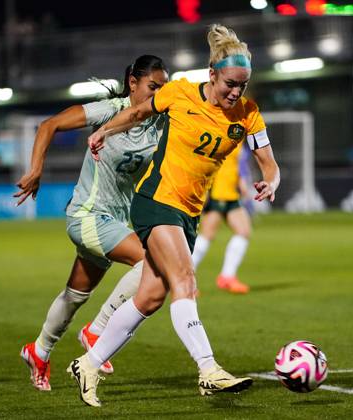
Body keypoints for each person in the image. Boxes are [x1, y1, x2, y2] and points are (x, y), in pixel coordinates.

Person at [67, 24, 280, 407]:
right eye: (230, 83)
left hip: (188, 214)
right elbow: (137, 112)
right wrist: (105, 132)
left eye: (243, 85)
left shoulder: (248, 114)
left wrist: (271, 181)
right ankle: (209, 370)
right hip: (155, 200)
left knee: (149, 298)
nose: (236, 92)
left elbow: (269, 162)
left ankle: (89, 362)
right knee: (186, 279)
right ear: (212, 75)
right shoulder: (179, 93)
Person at [14, 55, 169, 391]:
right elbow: (48, 125)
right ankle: (98, 330)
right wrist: (36, 168)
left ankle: (38, 351)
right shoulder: (110, 110)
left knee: (75, 295)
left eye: (162, 89)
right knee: (153, 259)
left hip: (114, 220)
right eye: (152, 87)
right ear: (133, 84)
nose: (158, 94)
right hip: (86, 214)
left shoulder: (159, 123)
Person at [191, 143, 253, 294]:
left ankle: (227, 277)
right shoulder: (223, 132)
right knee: (206, 236)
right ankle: (183, 279)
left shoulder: (241, 141)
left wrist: (242, 184)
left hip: (231, 194)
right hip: (217, 193)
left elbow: (237, 165)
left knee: (243, 231)